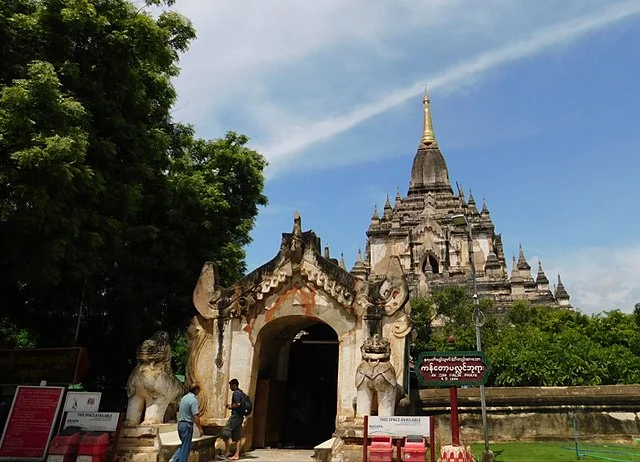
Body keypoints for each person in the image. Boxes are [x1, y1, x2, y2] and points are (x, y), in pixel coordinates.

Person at [171, 383, 204, 462]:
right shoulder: (193, 400)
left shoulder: (184, 398)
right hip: (187, 425)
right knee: (186, 448)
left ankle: (174, 459)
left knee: (184, 445)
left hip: (180, 424)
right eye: (198, 390)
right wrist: (200, 428)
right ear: (196, 390)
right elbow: (196, 415)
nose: (199, 392)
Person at [221, 378, 244, 460]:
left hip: (235, 416)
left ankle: (227, 451)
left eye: (231, 385)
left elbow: (238, 404)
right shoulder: (241, 392)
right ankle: (236, 454)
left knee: (225, 432)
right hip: (240, 416)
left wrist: (231, 406)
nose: (230, 387)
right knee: (237, 437)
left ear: (234, 385)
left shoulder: (236, 393)